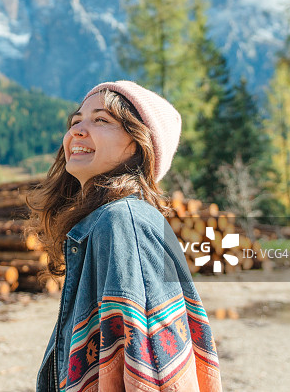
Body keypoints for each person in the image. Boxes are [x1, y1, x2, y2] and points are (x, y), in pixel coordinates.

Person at [29, 80, 222, 392]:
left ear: (138, 144)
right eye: (76, 121)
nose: (77, 131)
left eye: (101, 120)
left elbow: (151, 367)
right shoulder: (109, 220)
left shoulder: (122, 222)